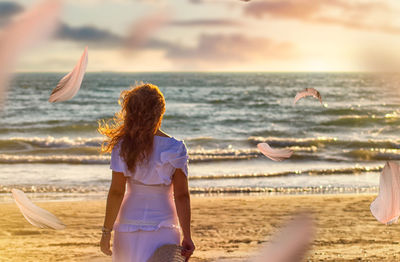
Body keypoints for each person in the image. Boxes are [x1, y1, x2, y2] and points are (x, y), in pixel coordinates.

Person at [98, 83, 195, 261]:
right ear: (161, 111)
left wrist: (106, 232)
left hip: (128, 223)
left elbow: (117, 192)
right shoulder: (176, 148)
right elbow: (181, 195)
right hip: (163, 226)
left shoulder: (123, 146)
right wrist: (187, 236)